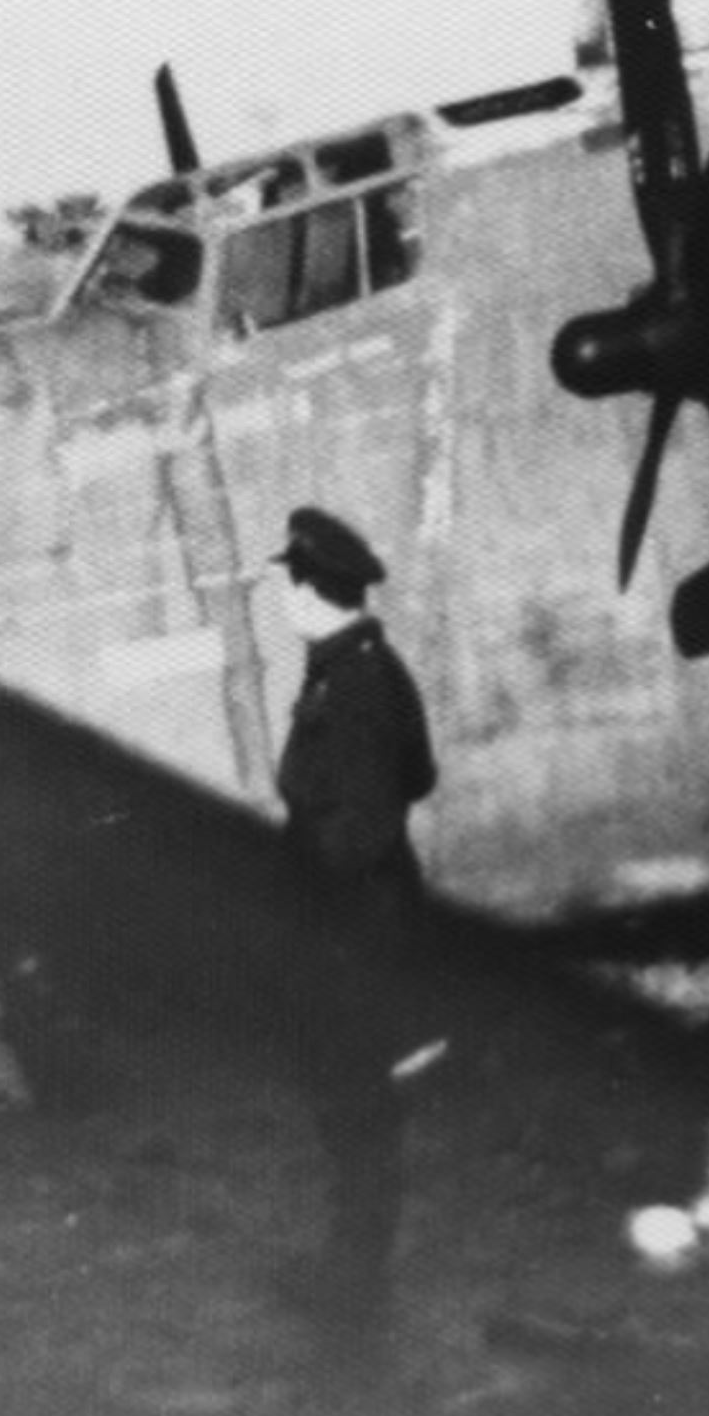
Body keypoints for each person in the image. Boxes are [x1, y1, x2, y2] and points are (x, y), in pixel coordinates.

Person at [265, 505, 441, 1334]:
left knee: (356, 1107)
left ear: (309, 592)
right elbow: (419, 776)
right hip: (356, 919)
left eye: (287, 584)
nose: (282, 599)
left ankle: (354, 1286)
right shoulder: (359, 665)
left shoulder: (355, 683)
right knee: (351, 1107)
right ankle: (348, 1269)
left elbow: (365, 825)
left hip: (351, 930)